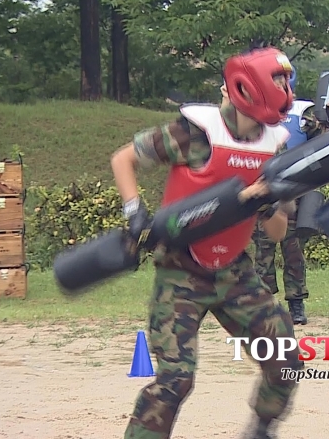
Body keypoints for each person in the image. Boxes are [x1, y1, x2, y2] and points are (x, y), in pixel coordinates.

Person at [110, 47, 303, 439]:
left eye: (288, 80)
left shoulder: (274, 147)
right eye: (279, 81)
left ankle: (260, 430)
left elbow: (277, 233)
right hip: (180, 272)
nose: (285, 88)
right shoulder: (194, 133)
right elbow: (123, 159)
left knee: (284, 358)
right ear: (251, 88)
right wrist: (135, 214)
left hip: (234, 271)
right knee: (175, 380)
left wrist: (277, 201)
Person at [253, 68, 329, 325]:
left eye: (283, 79)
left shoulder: (304, 113)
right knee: (263, 250)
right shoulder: (255, 109)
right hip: (262, 188)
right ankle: (265, 303)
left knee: (293, 250)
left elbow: (322, 140)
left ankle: (296, 303)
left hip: (293, 190)